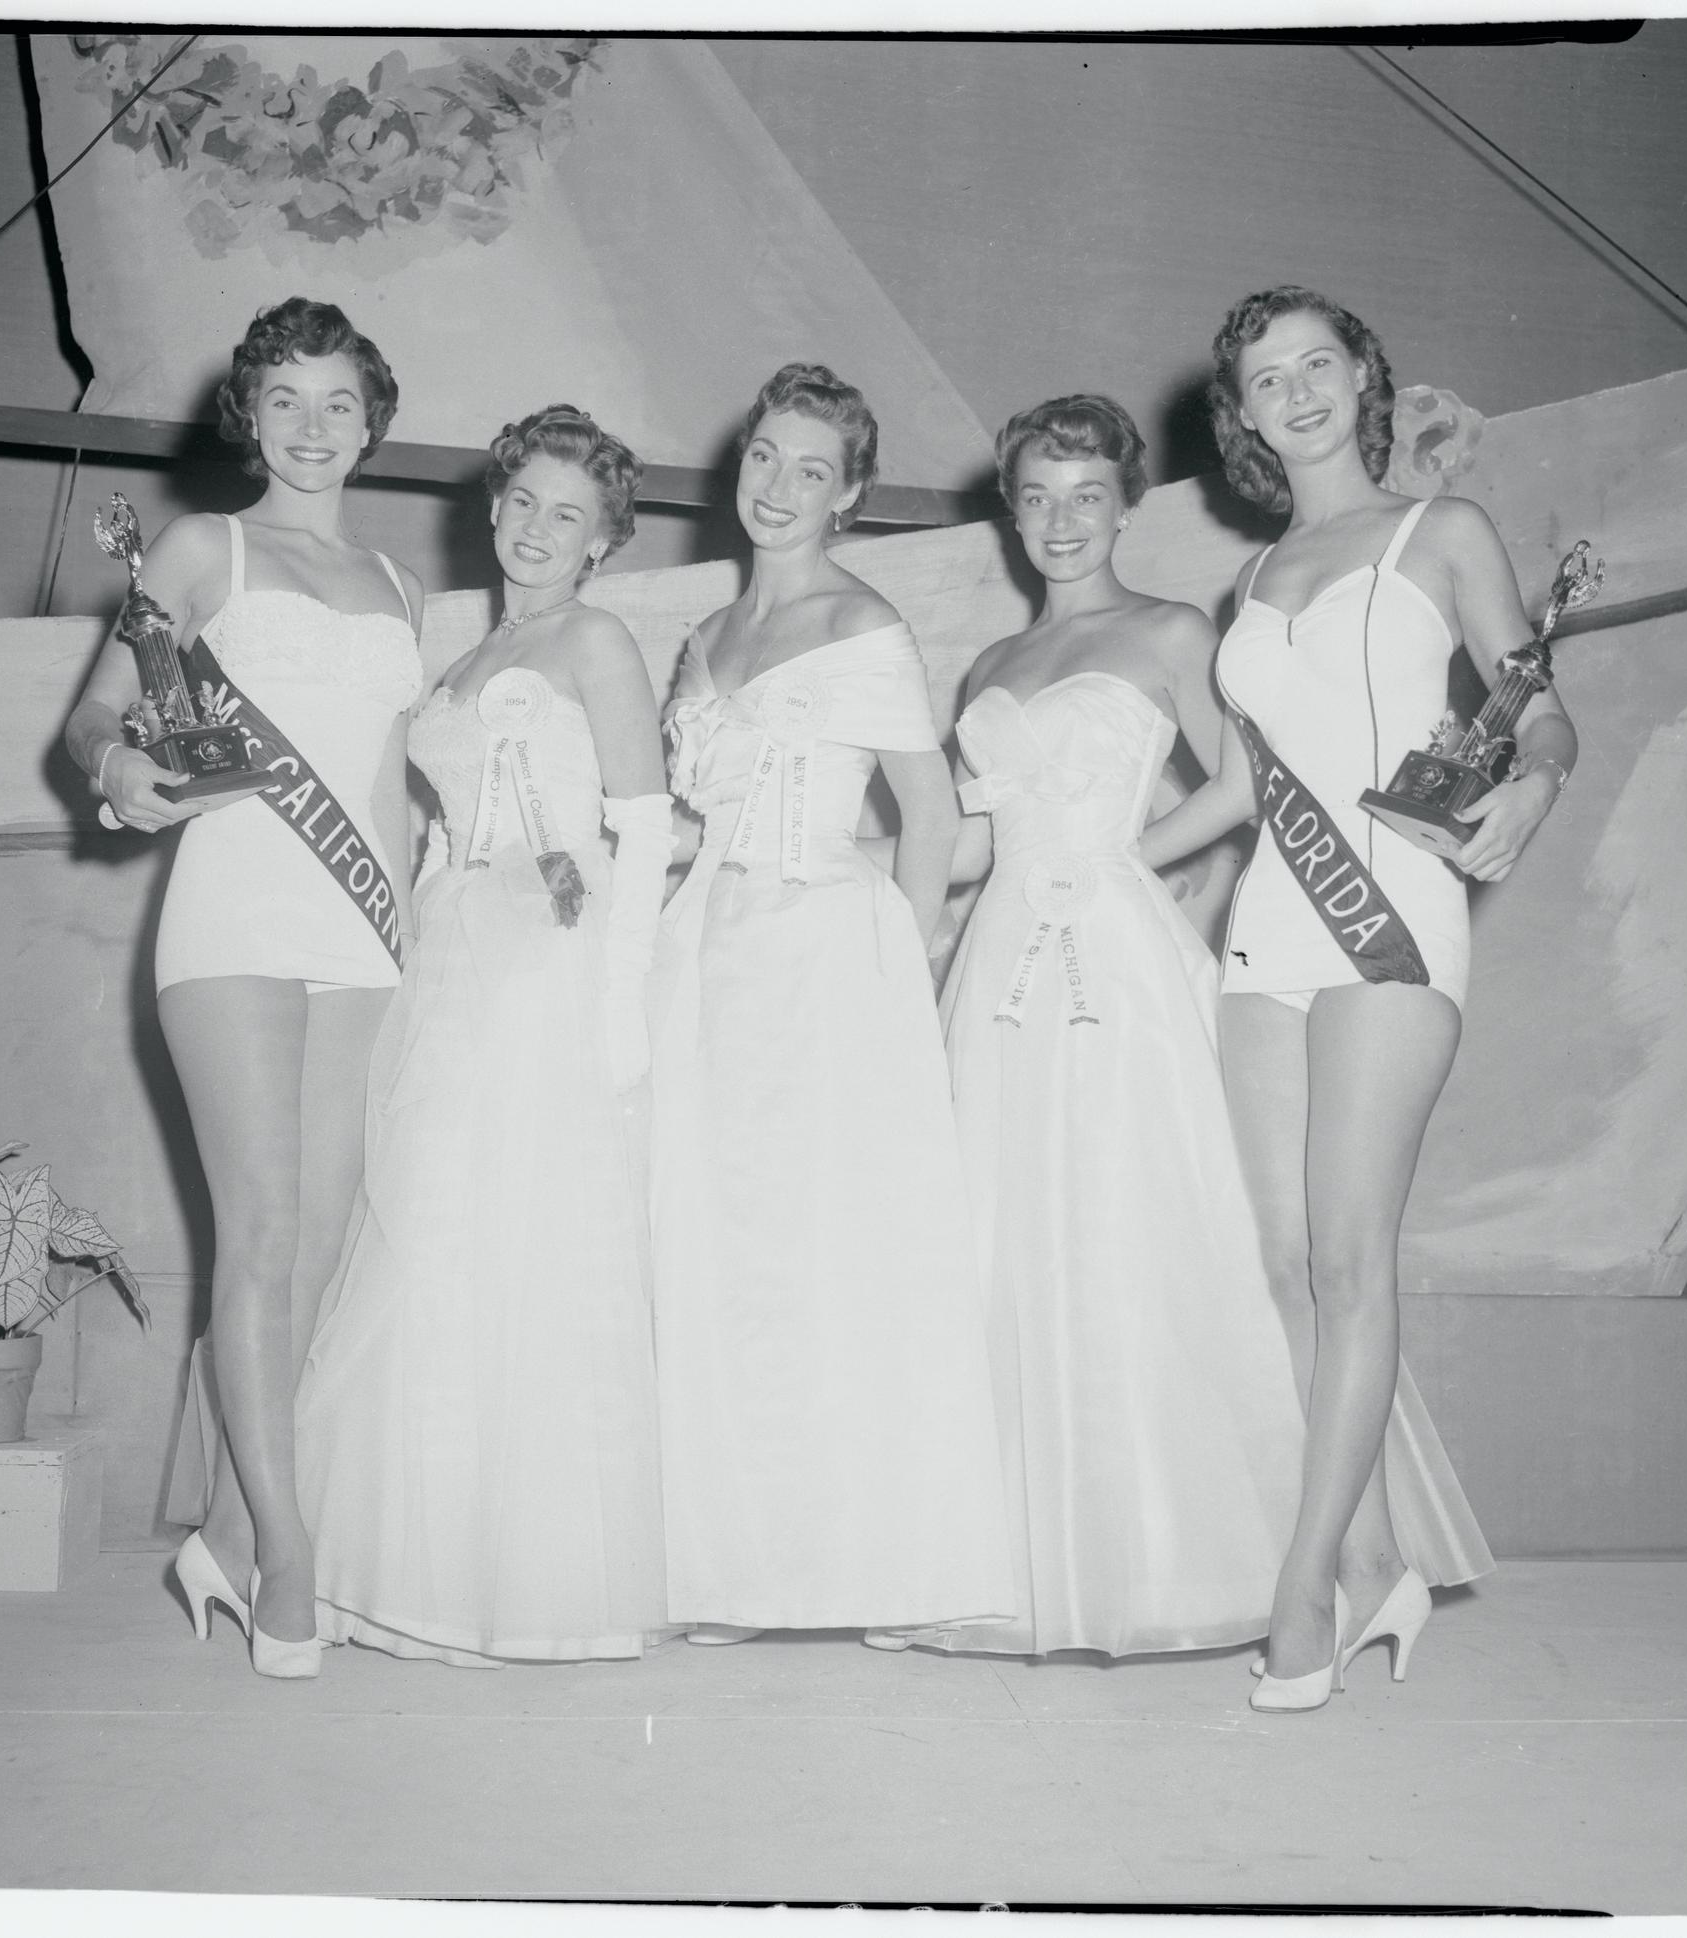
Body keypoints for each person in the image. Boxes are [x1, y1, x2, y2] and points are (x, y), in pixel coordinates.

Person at [1142, 288, 1563, 1711]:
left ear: (1367, 377)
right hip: (1270, 927)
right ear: (1244, 416)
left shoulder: (1438, 531)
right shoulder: (1246, 588)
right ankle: (1380, 1560)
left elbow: (1537, 696)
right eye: (1271, 376)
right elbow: (1239, 788)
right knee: (1278, 1267)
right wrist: (1096, 863)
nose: (1301, 388)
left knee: (1349, 1264)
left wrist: (1537, 782)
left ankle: (1303, 1586)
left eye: (1322, 362)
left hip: (1393, 919)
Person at [908, 394, 1306, 1659]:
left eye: (1087, 495)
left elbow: (1246, 783)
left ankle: (1180, 1565)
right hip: (1002, 959)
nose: (1061, 520)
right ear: (1009, 507)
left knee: (1134, 1224)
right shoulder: (989, 669)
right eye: (1037, 495)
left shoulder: (1171, 630)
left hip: (1117, 960)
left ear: (1127, 506)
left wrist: (1115, 857)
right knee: (997, 1228)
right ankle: (1000, 1569)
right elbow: (972, 835)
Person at [64, 297, 424, 1679]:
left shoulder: (398, 588)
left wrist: (413, 928)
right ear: (251, 416)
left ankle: (214, 1530)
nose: (314, 428)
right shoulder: (202, 548)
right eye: (287, 403)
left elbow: (384, 779)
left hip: (359, 926)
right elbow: (100, 711)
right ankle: (290, 1548)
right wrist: (117, 770)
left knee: (322, 1252)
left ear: (373, 417)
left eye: (339, 403)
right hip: (230, 914)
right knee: (263, 1232)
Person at [291, 406, 675, 1666]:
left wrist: (617, 1012)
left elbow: (645, 828)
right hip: (451, 953)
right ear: (493, 505)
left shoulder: (597, 641)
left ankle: (521, 1578)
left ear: (605, 539)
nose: (537, 529)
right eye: (522, 501)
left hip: (549, 966)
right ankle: (404, 1563)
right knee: (426, 1226)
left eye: (570, 514)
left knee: (516, 1239)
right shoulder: (460, 656)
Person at [649, 362, 1014, 1645]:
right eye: (765, 457)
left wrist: (899, 978)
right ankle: (743, 1566)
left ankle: (858, 1565)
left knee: (822, 1249)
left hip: (823, 952)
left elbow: (928, 818)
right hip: (711, 947)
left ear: (850, 493)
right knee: (725, 1247)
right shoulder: (703, 641)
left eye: (813, 469)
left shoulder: (865, 630)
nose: (779, 487)